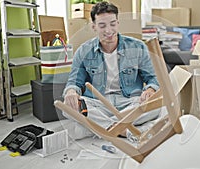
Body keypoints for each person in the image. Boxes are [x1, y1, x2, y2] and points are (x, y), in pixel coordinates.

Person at [62, 1, 160, 140]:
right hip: (98, 103)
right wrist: (71, 92)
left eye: (113, 24)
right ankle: (124, 131)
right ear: (94, 26)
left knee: (160, 107)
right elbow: (74, 82)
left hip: (129, 101)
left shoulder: (138, 47)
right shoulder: (83, 51)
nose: (108, 30)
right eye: (102, 25)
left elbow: (152, 79)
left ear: (118, 23)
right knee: (68, 106)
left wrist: (150, 90)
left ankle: (97, 128)